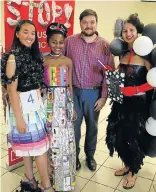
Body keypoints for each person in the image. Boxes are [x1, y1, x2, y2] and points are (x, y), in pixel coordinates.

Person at [1, 20, 53, 192]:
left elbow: (34, 82)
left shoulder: (32, 54)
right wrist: (20, 119)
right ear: (17, 34)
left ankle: (29, 179)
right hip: (23, 110)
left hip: (35, 108)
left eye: (33, 33)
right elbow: (11, 90)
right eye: (25, 32)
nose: (30, 36)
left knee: (31, 147)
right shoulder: (12, 57)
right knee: (39, 150)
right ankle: (46, 186)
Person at [106, 14, 154, 189]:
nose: (128, 33)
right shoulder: (123, 53)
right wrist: (113, 76)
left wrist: (135, 90)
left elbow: (154, 82)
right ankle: (126, 164)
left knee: (134, 138)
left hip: (138, 105)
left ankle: (133, 170)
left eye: (131, 30)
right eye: (125, 30)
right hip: (121, 103)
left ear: (137, 31)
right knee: (118, 136)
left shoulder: (146, 55)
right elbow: (122, 76)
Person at [64, 9, 115, 171]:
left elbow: (110, 73)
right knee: (74, 127)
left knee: (92, 127)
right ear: (80, 23)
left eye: (92, 22)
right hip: (74, 92)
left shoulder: (105, 45)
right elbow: (61, 64)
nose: (88, 25)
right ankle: (75, 155)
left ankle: (90, 156)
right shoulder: (69, 42)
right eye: (85, 22)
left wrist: (103, 97)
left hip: (94, 93)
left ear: (96, 23)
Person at [43, 22, 76, 192]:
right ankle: (49, 176)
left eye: (61, 42)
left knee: (64, 141)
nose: (58, 45)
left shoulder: (68, 61)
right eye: (54, 42)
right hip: (48, 103)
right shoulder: (43, 60)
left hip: (64, 104)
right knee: (50, 140)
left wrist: (73, 107)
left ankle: (65, 179)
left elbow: (69, 85)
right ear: (48, 42)